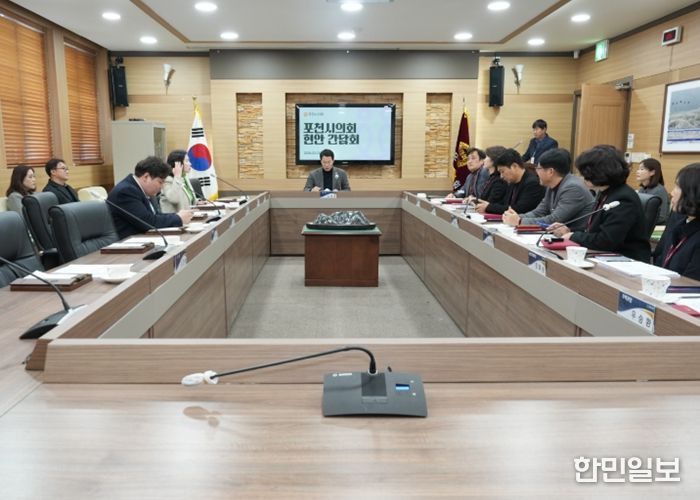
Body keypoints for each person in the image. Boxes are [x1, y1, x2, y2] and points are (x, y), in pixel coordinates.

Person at [551, 145, 651, 262]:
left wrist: (573, 236)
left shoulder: (623, 199)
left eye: (586, 173)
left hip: (627, 261)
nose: (583, 177)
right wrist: (569, 230)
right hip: (604, 255)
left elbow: (606, 240)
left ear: (601, 173)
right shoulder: (605, 192)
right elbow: (594, 229)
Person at [502, 148, 594, 231]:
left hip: (575, 238)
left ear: (550, 172)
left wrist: (520, 221)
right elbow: (539, 212)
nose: (536, 173)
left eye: (538, 168)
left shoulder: (573, 188)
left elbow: (554, 220)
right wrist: (515, 217)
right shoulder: (551, 185)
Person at [108, 156, 194, 239]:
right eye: (160, 182)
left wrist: (177, 215)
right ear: (146, 177)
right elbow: (148, 222)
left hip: (145, 239)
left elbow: (155, 215)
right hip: (130, 244)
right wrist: (178, 218)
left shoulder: (141, 190)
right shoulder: (126, 191)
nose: (162, 187)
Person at [653, 163, 700, 280]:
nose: (672, 193)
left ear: (694, 193)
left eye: (678, 187)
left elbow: (691, 283)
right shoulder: (680, 223)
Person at [475, 149, 545, 215]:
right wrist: (487, 205)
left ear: (514, 166)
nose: (501, 176)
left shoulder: (532, 183)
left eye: (502, 171)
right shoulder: (512, 182)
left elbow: (519, 209)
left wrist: (489, 207)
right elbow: (505, 205)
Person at [636, 158, 670, 224]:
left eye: (642, 169)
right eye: (638, 169)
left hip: (657, 227)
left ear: (652, 172)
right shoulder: (642, 189)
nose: (637, 171)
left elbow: (662, 217)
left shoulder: (659, 190)